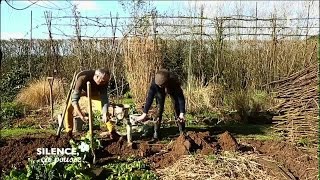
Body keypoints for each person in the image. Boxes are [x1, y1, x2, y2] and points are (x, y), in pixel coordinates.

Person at [64, 68, 118, 139]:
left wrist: (105, 112)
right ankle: (69, 132)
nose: (104, 83)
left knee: (103, 109)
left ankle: (112, 131)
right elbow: (74, 101)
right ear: (97, 76)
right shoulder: (82, 78)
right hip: (81, 91)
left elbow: (104, 99)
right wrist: (81, 116)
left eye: (106, 81)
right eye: (103, 81)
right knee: (68, 109)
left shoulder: (104, 81)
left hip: (94, 93)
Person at [136, 69, 186, 142]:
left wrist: (182, 113)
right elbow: (150, 98)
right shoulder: (155, 83)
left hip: (172, 88)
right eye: (158, 85)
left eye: (161, 85)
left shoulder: (174, 82)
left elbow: (180, 99)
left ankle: (182, 132)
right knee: (159, 109)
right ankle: (156, 134)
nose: (159, 86)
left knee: (177, 107)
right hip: (160, 93)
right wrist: (144, 113)